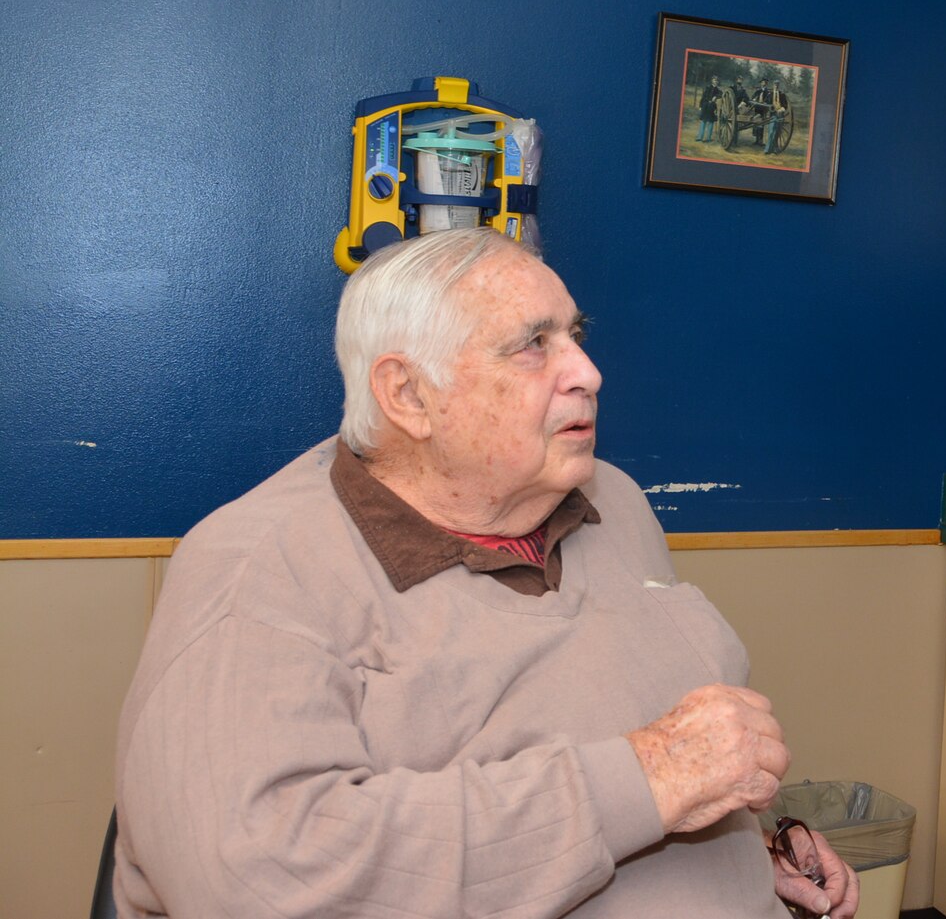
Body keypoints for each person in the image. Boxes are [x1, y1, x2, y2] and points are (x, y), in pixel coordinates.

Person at [114, 228, 859, 918]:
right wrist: (647, 779)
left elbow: (663, 754)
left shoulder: (616, 502)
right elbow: (264, 878)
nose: (589, 372)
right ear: (408, 395)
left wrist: (744, 850)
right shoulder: (258, 568)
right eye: (533, 344)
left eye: (576, 334)